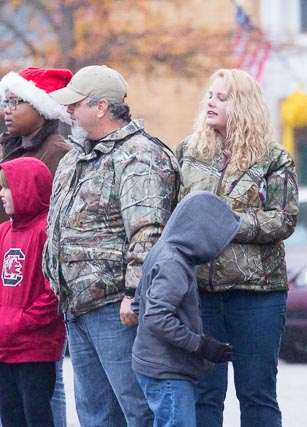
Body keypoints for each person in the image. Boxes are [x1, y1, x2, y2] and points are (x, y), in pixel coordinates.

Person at [42, 65, 180, 427]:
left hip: (116, 309)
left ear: (101, 107)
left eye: (76, 104)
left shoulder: (139, 156)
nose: (68, 111)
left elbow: (148, 232)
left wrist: (133, 294)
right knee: (94, 414)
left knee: (136, 408)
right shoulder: (75, 157)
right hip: (77, 305)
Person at [174, 68, 298, 427]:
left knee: (257, 394)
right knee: (204, 394)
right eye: (210, 95)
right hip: (200, 292)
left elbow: (284, 220)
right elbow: (174, 217)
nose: (211, 102)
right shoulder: (188, 151)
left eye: (221, 97)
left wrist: (226, 223)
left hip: (256, 293)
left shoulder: (274, 158)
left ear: (243, 105)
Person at [0, 66, 72, 427]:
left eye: (16, 102)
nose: (6, 109)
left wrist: (21, 321)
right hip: (10, 269)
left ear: (41, 108)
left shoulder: (58, 153)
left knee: (45, 394)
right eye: (5, 101)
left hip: (33, 308)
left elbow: (53, 237)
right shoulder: (10, 147)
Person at [132, 191, 241, 427]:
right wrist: (200, 345)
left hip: (155, 366)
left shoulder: (163, 249)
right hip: (168, 373)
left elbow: (139, 303)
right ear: (202, 233)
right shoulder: (174, 263)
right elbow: (156, 317)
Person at [0, 157, 65, 427]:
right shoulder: (3, 231)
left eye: (7, 187)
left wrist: (20, 322)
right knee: (11, 417)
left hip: (35, 348)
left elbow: (53, 293)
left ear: (27, 188)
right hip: (4, 347)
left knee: (36, 416)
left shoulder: (45, 232)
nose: (1, 194)